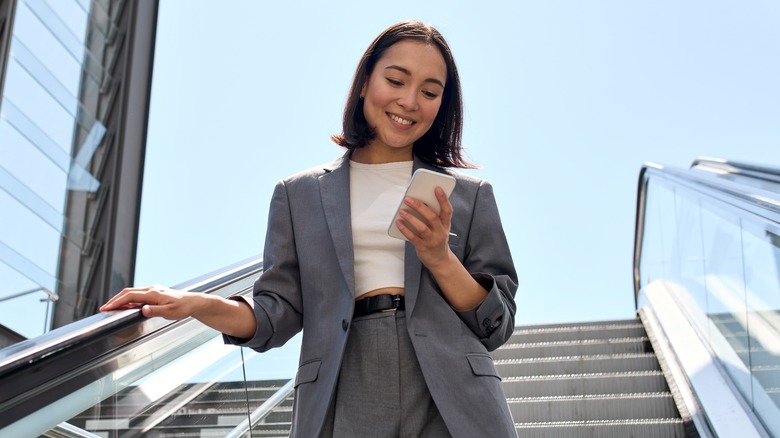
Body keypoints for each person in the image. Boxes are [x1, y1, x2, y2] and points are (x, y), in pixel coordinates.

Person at [101, 20, 518, 438]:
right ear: (364, 83)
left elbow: (496, 325)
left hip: (451, 390)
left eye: (429, 92)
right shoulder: (298, 194)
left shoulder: (469, 195)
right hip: (342, 380)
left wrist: (440, 260)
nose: (410, 101)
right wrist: (196, 305)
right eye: (395, 80)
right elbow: (274, 315)